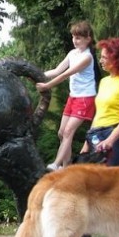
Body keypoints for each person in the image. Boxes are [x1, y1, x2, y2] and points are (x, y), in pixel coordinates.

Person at [80, 37, 119, 237]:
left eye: (105, 56)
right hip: (99, 135)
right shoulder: (104, 83)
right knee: (102, 195)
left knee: (116, 195)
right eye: (100, 56)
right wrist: (88, 142)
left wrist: (112, 140)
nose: (101, 60)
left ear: (116, 58)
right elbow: (98, 115)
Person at [35, 20, 97, 171]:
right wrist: (36, 76)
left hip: (85, 98)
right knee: (62, 133)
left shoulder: (87, 57)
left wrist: (47, 86)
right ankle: (66, 167)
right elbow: (56, 71)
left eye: (78, 38)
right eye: (73, 37)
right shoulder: (72, 53)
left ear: (88, 39)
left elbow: (65, 75)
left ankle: (56, 165)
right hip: (73, 97)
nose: (74, 41)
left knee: (69, 131)